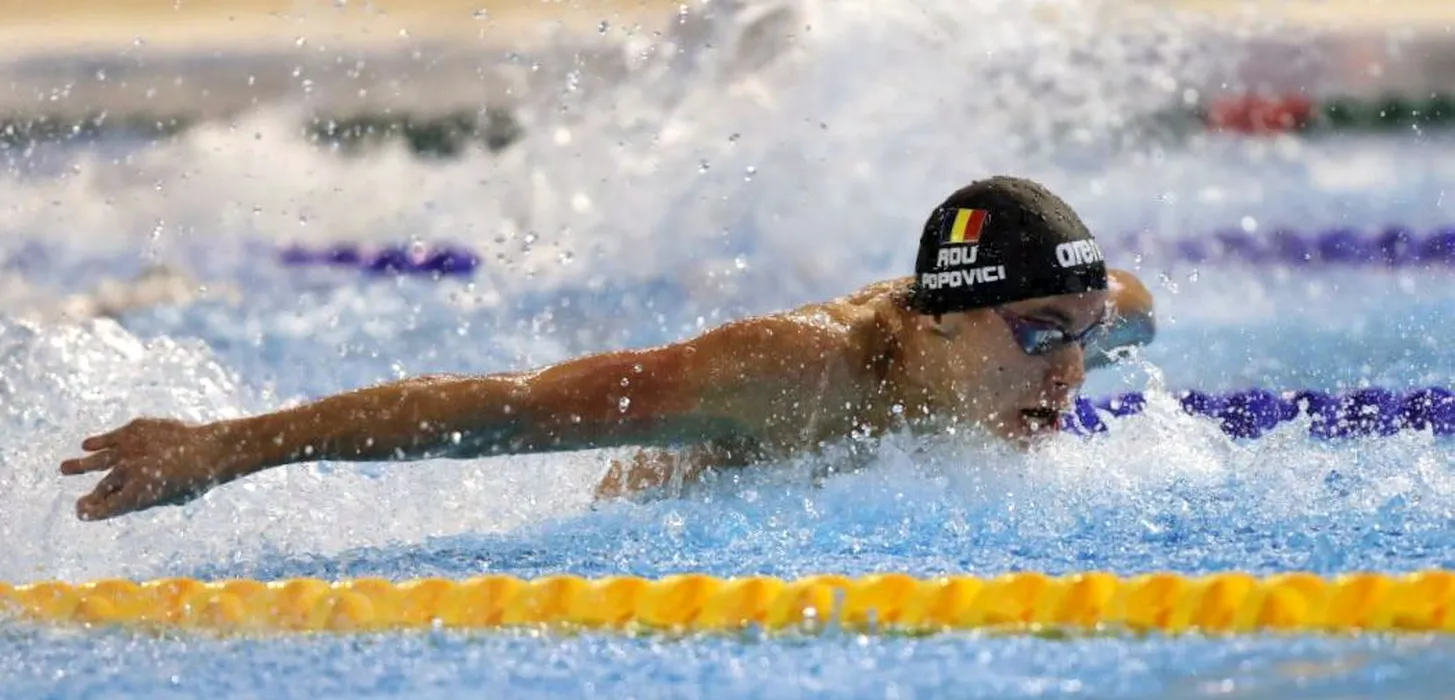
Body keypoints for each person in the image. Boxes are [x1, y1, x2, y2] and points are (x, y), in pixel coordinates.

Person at [60, 175, 1156, 521]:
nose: (1069, 374)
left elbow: (1121, 303)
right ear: (939, 319)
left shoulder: (1052, 333)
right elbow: (503, 408)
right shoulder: (790, 373)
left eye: (1086, 336)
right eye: (1040, 336)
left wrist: (1088, 316)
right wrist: (224, 448)